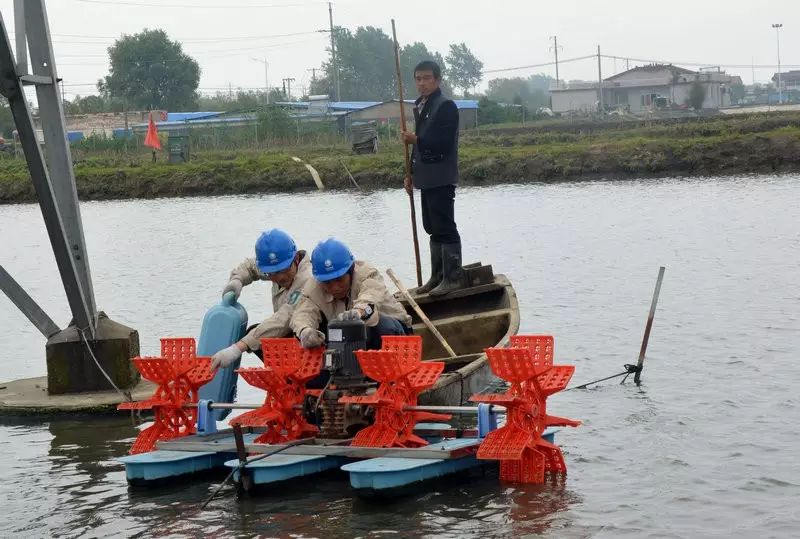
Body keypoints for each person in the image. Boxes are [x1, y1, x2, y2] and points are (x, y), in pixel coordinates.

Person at [401, 59, 464, 296]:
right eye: (418, 79)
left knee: (444, 226)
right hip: (426, 177)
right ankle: (437, 277)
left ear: (437, 80)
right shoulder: (423, 105)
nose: (422, 83)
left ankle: (453, 278)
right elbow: (418, 148)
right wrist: (410, 174)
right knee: (431, 226)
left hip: (441, 176)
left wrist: (415, 139)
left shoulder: (446, 106)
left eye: (427, 78)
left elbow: (442, 144)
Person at [210, 228, 312, 370]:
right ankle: (286, 376)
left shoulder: (307, 278)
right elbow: (251, 267)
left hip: (312, 336)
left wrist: (238, 348)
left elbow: (283, 319)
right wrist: (237, 280)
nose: (279, 278)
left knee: (259, 337)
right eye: (271, 274)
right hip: (291, 332)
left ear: (295, 259)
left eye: (283, 270)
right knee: (256, 334)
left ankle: (302, 377)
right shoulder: (276, 269)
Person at [291, 238, 412, 350]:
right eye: (327, 283)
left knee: (380, 325)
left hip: (395, 333)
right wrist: (304, 331)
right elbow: (302, 313)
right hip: (349, 338)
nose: (335, 288)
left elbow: (370, 298)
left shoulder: (368, 275)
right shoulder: (312, 288)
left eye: (339, 280)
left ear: (351, 270)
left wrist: (359, 312)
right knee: (319, 335)